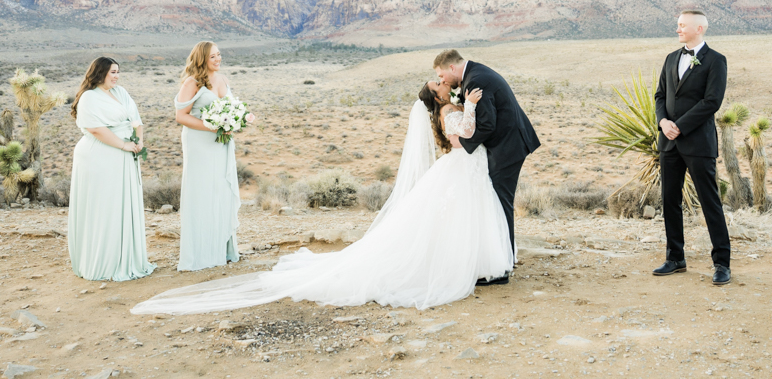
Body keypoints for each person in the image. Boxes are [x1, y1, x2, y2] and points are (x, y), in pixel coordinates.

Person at [130, 82, 510, 314]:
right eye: (439, 83)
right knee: (453, 216)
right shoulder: (447, 110)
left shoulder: (448, 104)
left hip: (466, 170)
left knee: (456, 217)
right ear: (437, 95)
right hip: (462, 166)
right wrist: (471, 106)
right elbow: (465, 134)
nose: (444, 83)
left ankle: (469, 263)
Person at [434, 49, 540, 284]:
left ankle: (500, 270)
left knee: (500, 203)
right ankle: (503, 260)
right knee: (499, 202)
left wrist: (461, 142)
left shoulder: (477, 80)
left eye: (442, 76)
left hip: (507, 148)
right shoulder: (474, 75)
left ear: (451, 68)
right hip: (506, 145)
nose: (443, 81)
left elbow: (487, 126)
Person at [652, 10, 732, 286]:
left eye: (682, 25)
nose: (678, 30)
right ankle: (675, 258)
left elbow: (712, 102)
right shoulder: (671, 58)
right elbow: (660, 95)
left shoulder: (716, 61)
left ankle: (722, 263)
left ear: (699, 28)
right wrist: (663, 121)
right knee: (669, 201)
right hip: (669, 143)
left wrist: (680, 126)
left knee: (710, 202)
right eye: (677, 25)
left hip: (698, 144)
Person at [67, 57, 155, 282]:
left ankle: (124, 258)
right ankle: (103, 263)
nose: (116, 76)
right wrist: (124, 145)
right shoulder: (89, 97)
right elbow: (95, 129)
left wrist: (139, 141)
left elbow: (136, 120)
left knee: (121, 205)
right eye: (112, 72)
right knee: (104, 206)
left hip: (124, 155)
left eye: (118, 71)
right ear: (100, 73)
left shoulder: (121, 93)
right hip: (100, 156)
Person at [174, 41, 240, 271]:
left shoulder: (222, 79)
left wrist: (234, 121)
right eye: (213, 56)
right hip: (199, 142)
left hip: (220, 143)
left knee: (220, 188)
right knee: (202, 190)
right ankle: (201, 252)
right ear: (202, 58)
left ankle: (222, 248)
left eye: (219, 55)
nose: (218, 59)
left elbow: (230, 108)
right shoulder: (192, 82)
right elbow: (181, 116)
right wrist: (212, 126)